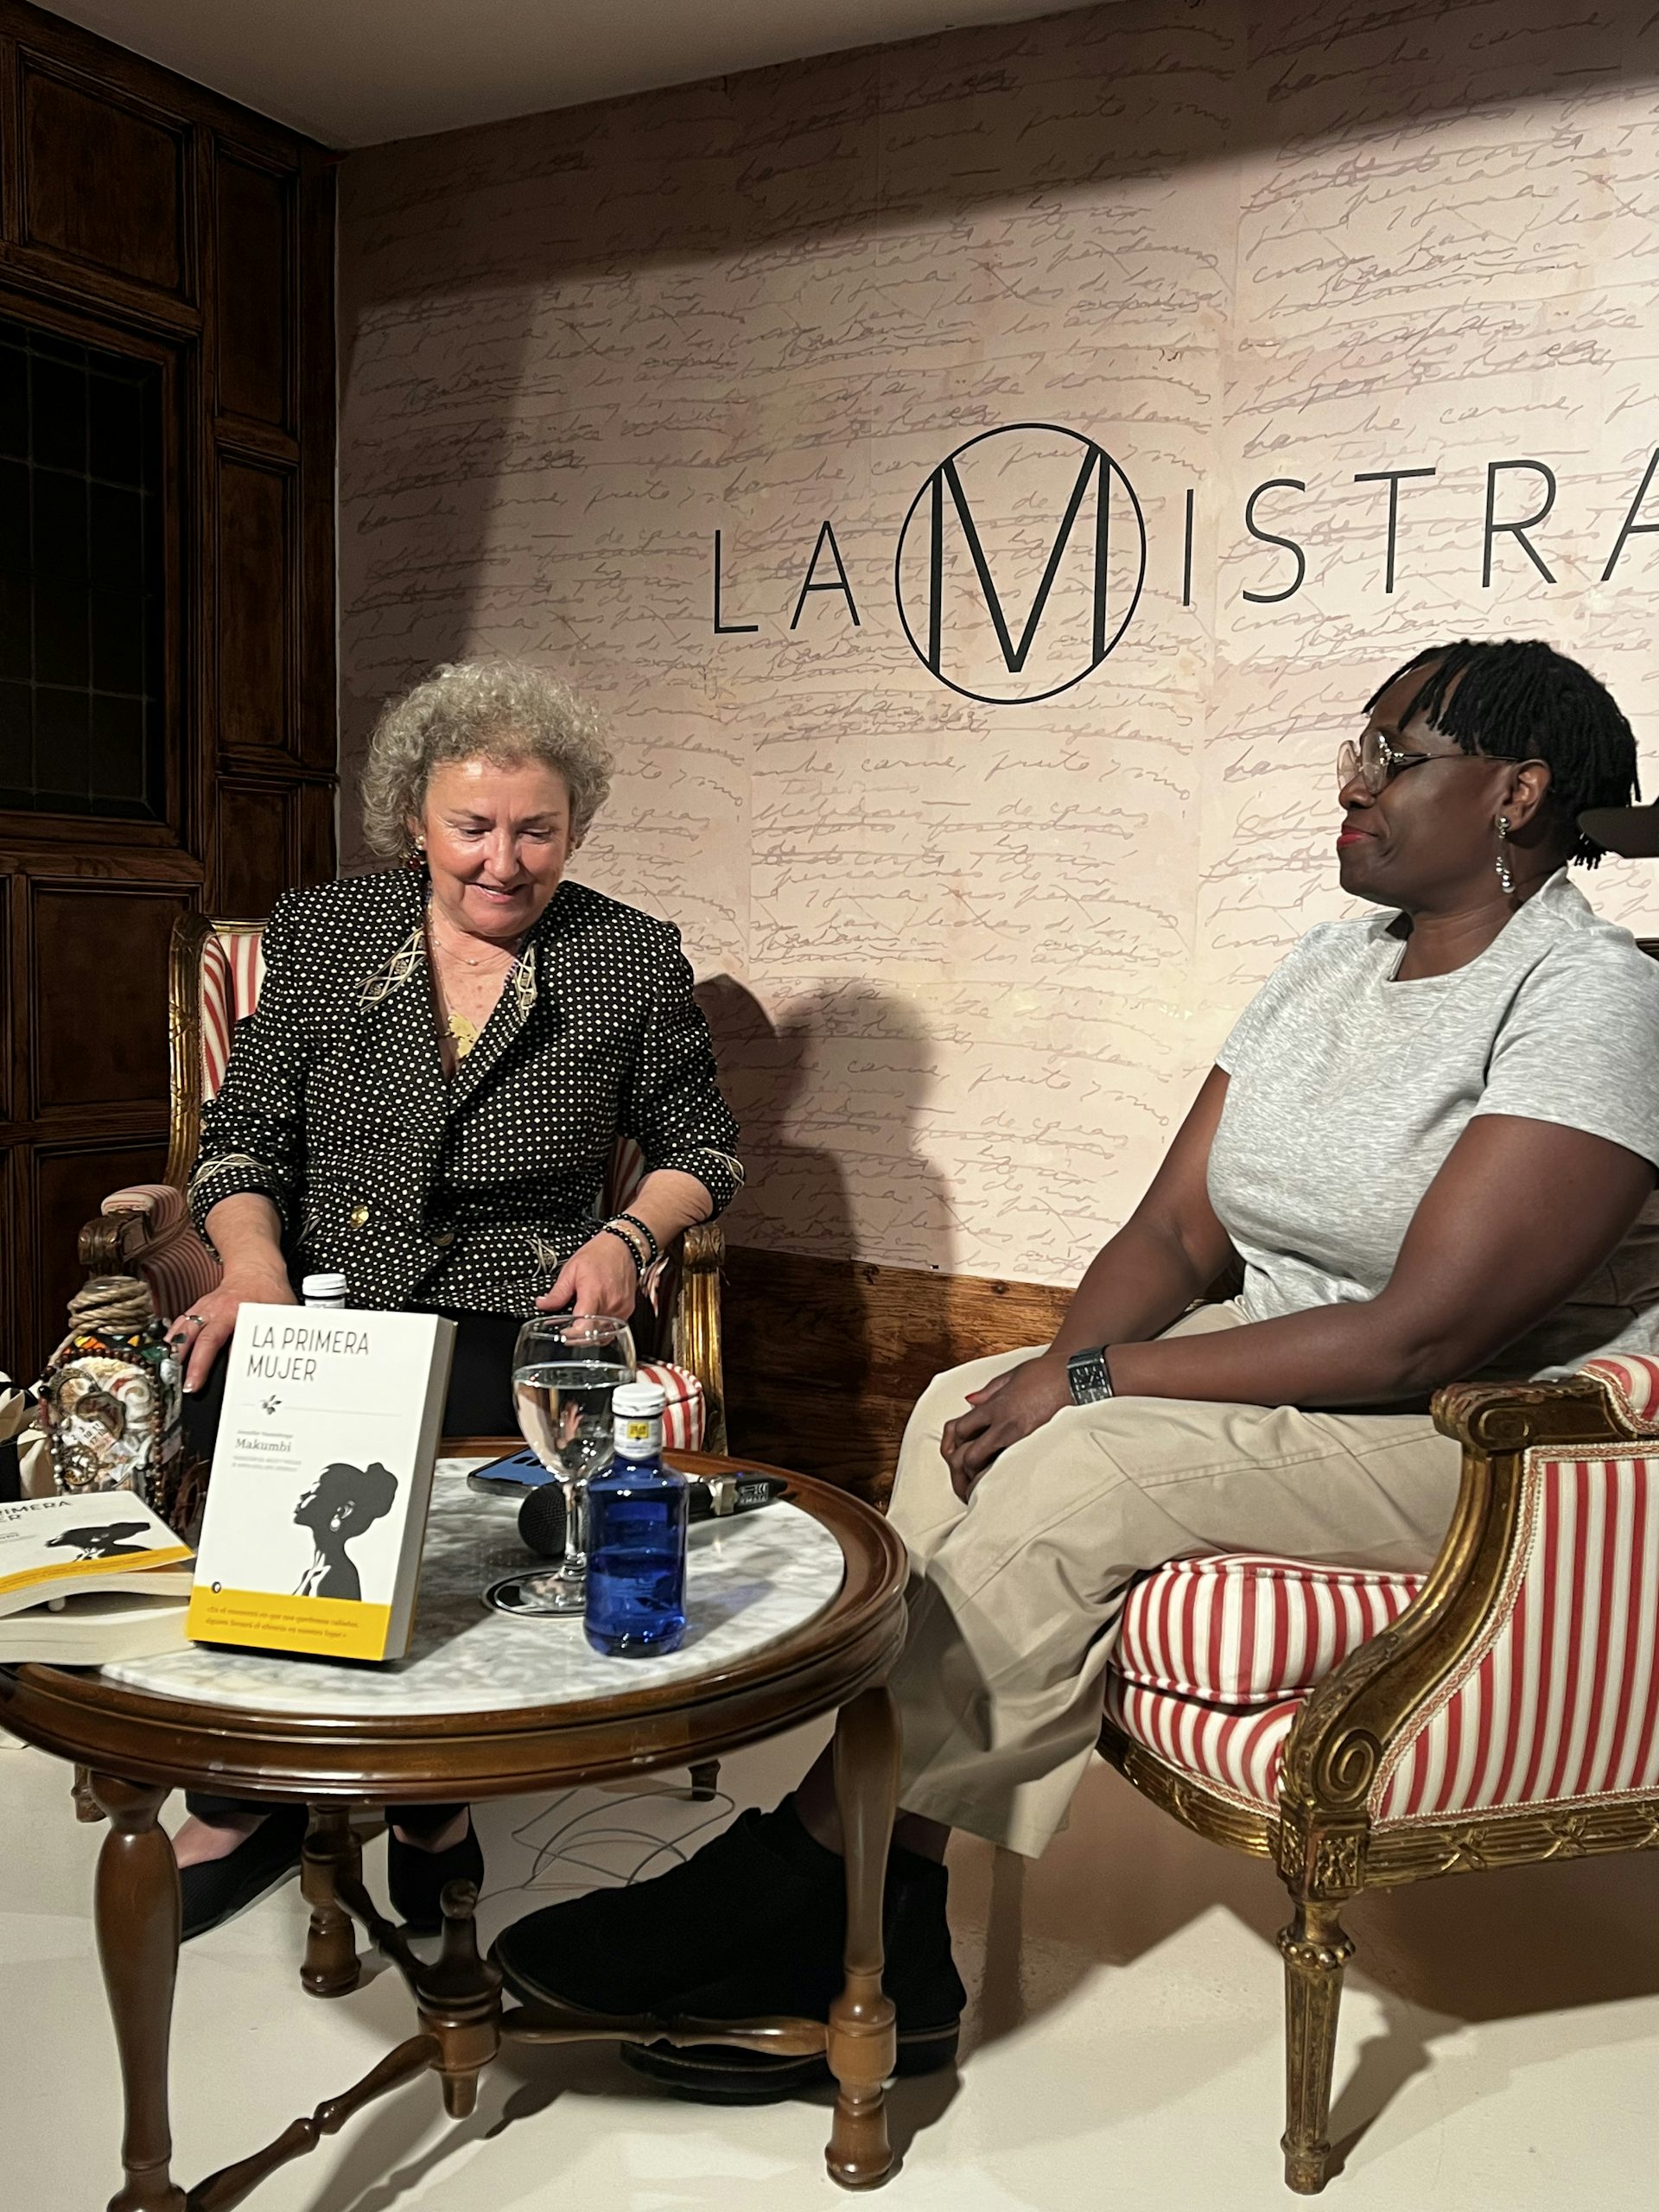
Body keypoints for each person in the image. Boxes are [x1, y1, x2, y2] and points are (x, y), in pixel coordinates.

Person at [489, 636, 1659, 2101]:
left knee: (1083, 1459)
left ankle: (801, 1880)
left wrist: (1097, 1390)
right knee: (960, 1406)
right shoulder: (1331, 957)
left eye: (1394, 760)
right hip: (1301, 1369)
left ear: (1520, 795)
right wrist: (1057, 1365)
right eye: (1355, 753)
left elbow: (1427, 1329)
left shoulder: (1590, 999)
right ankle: (893, 1918)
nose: (1349, 787)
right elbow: (1177, 1226)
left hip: (1483, 1437)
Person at [167, 658, 741, 1940]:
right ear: (414, 820)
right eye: (471, 828)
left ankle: (435, 1799)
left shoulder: (629, 957)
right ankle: (251, 1782)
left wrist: (629, 1236)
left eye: (536, 829)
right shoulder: (323, 934)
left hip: (511, 1306)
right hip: (324, 1293)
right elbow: (243, 1139)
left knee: (475, 1493)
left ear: (574, 827)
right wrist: (251, 1270)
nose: (503, 860)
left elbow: (704, 1148)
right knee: (262, 1433)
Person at [292, 1461, 399, 1600]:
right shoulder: (312, 1573)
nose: (302, 1496)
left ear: (343, 1511)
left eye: (314, 1490)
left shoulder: (334, 1577)